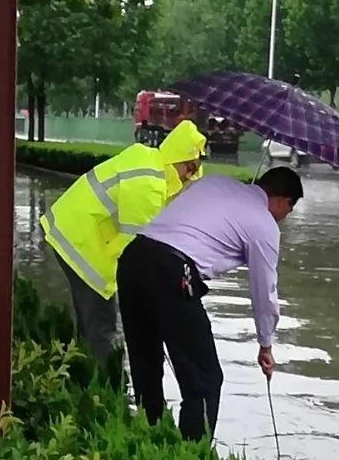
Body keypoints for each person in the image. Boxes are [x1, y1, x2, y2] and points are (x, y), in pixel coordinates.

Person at [116, 166, 304, 441]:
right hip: (172, 272)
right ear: (283, 201)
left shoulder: (214, 182)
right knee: (204, 381)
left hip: (133, 258)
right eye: (288, 211)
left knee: (146, 365)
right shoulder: (264, 225)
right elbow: (264, 292)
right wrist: (266, 344)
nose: (283, 219)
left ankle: (148, 439)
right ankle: (193, 459)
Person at [40, 119, 206, 368]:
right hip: (82, 243)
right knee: (103, 326)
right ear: (178, 161)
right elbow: (139, 252)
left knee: (92, 322)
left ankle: (79, 375)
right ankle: (102, 389)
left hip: (75, 232)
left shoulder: (149, 162)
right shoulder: (149, 185)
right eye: (190, 170)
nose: (189, 178)